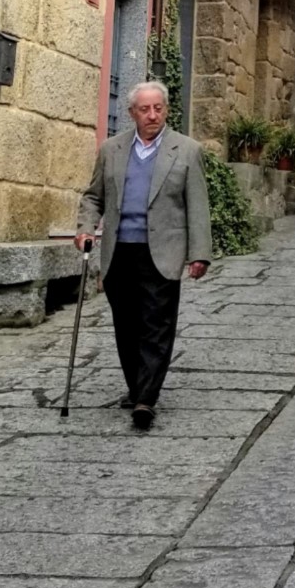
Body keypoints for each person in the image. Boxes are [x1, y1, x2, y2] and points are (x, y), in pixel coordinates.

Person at [74, 81, 211, 430]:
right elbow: (94, 196)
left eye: (158, 108)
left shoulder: (187, 150)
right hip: (120, 250)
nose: (153, 115)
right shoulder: (111, 150)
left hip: (163, 251)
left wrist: (199, 254)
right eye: (145, 109)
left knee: (157, 324)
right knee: (127, 325)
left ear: (166, 110)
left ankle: (146, 399)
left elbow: (197, 205)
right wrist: (86, 227)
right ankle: (137, 387)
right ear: (132, 112)